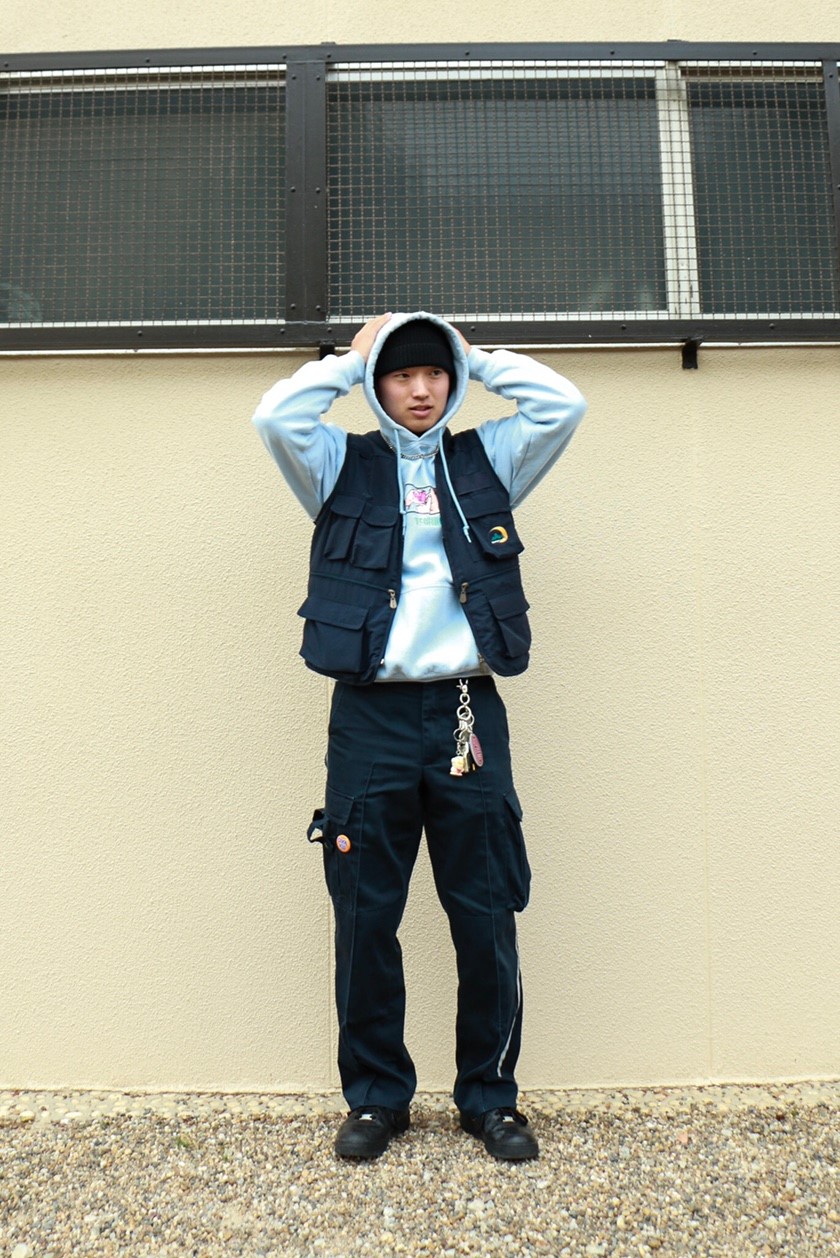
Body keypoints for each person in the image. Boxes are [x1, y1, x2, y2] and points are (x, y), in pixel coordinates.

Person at [252, 311, 586, 1161]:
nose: (421, 389)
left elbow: (563, 406)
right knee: (365, 913)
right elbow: (275, 417)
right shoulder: (338, 464)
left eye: (435, 373)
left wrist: (476, 356)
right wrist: (350, 358)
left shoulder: (487, 458)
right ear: (378, 385)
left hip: (467, 709)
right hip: (371, 716)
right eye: (402, 374)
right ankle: (375, 1099)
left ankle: (491, 1099)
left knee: (487, 909)